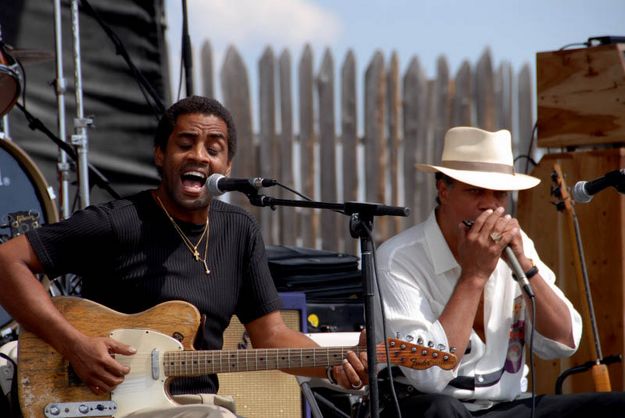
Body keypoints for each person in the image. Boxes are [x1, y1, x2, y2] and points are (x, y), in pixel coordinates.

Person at [0, 96, 367, 418]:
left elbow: (271, 336)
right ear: (160, 154)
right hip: (108, 403)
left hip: (198, 403)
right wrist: (74, 345)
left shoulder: (239, 231)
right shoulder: (118, 221)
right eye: (186, 144)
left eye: (213, 148)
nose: (199, 155)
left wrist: (336, 366)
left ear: (228, 167)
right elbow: (6, 262)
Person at [374, 126, 625, 417]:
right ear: (443, 190)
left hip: (508, 405)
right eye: (475, 191)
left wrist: (525, 266)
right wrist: (474, 276)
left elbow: (565, 342)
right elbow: (428, 375)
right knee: (442, 409)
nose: (490, 204)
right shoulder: (397, 259)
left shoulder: (520, 245)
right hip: (430, 405)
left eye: (500, 194)